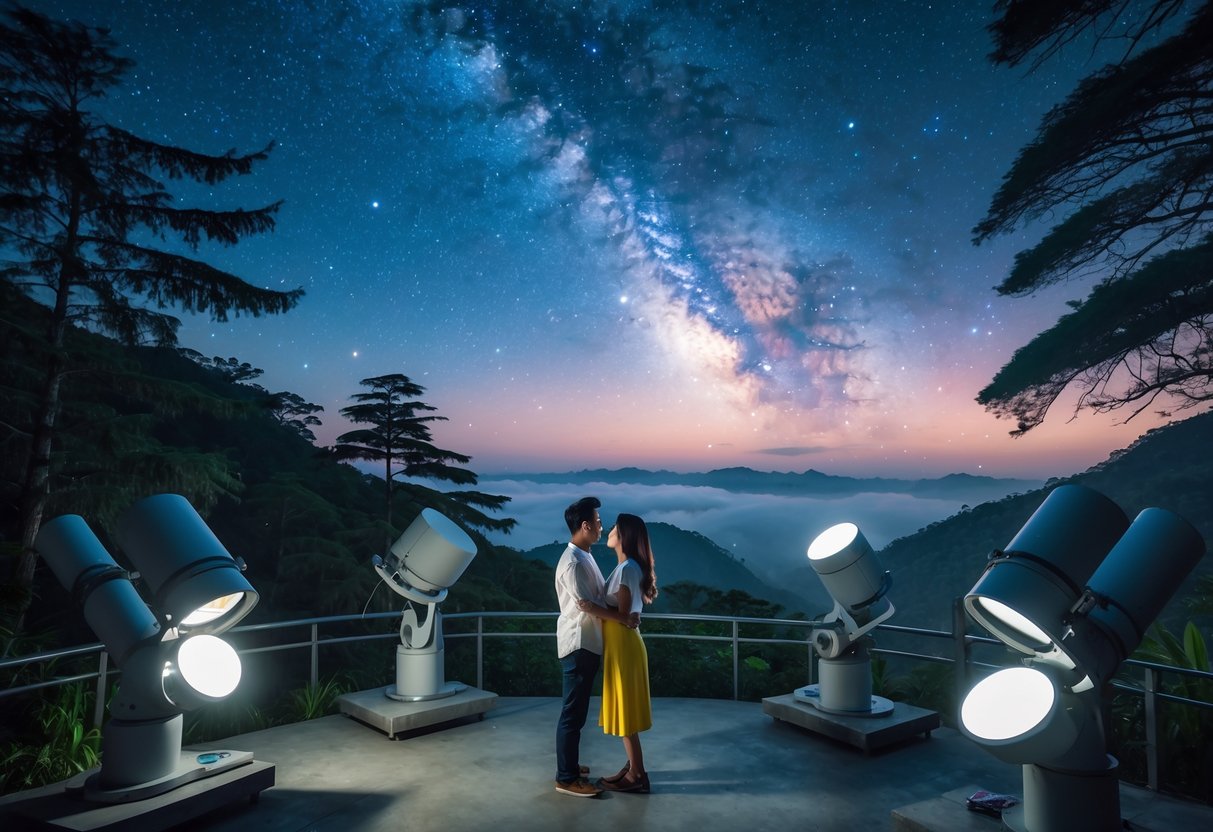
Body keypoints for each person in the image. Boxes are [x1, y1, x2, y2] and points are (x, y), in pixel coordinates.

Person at [577, 513, 657, 794]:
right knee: (626, 711)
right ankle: (633, 768)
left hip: (624, 645)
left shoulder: (627, 569)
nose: (608, 530)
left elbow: (624, 616)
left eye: (614, 528)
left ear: (624, 536)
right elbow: (626, 616)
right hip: (622, 644)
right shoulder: (628, 567)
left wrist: (588, 607)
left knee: (626, 714)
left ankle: (637, 776)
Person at [553, 496, 608, 798]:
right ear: (585, 526)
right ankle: (566, 777)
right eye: (598, 521)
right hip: (579, 644)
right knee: (572, 714)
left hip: (588, 642)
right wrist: (624, 616)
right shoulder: (573, 563)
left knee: (577, 713)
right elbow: (592, 606)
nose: (602, 525)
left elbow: (597, 599)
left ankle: (570, 766)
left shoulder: (585, 554)